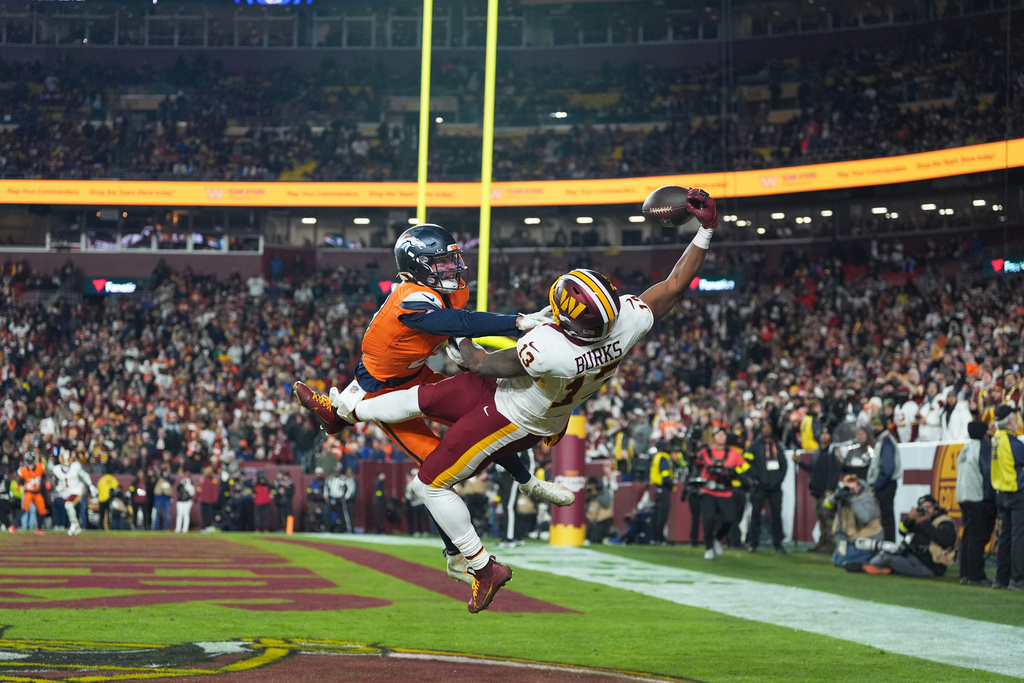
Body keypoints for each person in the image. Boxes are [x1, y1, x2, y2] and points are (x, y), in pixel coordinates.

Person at [336, 187, 718, 610]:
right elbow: (674, 284)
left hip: (514, 416)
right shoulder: (627, 322)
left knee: (428, 484)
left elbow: (479, 363)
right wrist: (704, 231)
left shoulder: (550, 349)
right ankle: (347, 411)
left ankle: (482, 566)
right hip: (536, 399)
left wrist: (459, 333)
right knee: (420, 398)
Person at [293, 223, 571, 580]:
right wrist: (517, 322)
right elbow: (458, 321)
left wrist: (469, 348)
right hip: (385, 390)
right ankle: (458, 556)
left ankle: (526, 481)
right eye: (441, 263)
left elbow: (459, 328)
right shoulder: (412, 296)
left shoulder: (447, 292)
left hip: (417, 375)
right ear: (417, 267)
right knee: (437, 472)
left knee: (486, 415)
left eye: (452, 259)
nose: (452, 268)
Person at [857, 495, 957, 578]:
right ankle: (871, 566)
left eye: (929, 507)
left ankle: (864, 567)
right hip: (913, 558)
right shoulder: (921, 520)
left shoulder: (944, 522)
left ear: (936, 507)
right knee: (886, 553)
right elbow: (903, 531)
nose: (926, 510)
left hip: (931, 567)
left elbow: (944, 541)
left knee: (888, 559)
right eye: (923, 508)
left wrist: (924, 522)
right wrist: (909, 518)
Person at [694, 426, 750, 559]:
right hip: (708, 490)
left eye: (723, 435)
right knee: (708, 520)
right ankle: (708, 547)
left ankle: (717, 538)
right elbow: (696, 463)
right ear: (713, 438)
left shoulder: (734, 453)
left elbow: (745, 467)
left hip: (726, 491)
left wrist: (734, 473)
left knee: (730, 519)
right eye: (718, 435)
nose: (721, 437)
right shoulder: (705, 452)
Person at [956, 420, 997, 586]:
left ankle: (965, 573)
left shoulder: (965, 448)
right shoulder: (983, 448)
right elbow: (988, 473)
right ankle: (975, 575)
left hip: (964, 496)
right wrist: (991, 498)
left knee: (968, 537)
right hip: (978, 497)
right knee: (978, 538)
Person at [990, 405, 1024, 590]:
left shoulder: (996, 439)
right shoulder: (1012, 442)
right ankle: (1018, 579)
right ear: (1010, 421)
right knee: (1018, 537)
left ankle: (1001, 578)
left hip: (1002, 493)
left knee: (1005, 538)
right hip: (1017, 493)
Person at [793, 430, 840, 553]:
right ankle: (823, 542)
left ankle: (831, 544)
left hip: (826, 491)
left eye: (826, 434)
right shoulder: (817, 452)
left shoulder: (831, 453)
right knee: (821, 517)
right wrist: (800, 462)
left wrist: (830, 490)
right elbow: (812, 469)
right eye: (822, 434)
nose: (824, 436)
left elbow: (834, 473)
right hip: (817, 491)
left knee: (828, 518)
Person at [745, 420, 788, 553]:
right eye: (764, 427)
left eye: (769, 427)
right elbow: (746, 464)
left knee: (777, 515)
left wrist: (778, 480)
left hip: (775, 487)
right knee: (756, 514)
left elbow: (784, 465)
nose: (767, 430)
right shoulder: (753, 446)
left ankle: (778, 544)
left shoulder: (778, 446)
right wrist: (756, 477)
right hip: (759, 487)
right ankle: (753, 543)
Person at [825, 473, 883, 569]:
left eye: (852, 487)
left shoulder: (868, 498)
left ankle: (873, 559)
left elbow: (865, 518)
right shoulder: (843, 498)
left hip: (868, 539)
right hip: (852, 540)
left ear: (859, 487)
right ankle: (867, 559)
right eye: (847, 487)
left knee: (840, 561)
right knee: (836, 558)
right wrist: (836, 496)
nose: (849, 490)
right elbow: (826, 506)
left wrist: (852, 499)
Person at [868, 417, 901, 542]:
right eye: (874, 425)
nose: (876, 428)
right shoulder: (883, 440)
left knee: (886, 516)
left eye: (879, 425)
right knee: (885, 516)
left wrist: (877, 484)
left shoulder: (886, 441)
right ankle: (887, 544)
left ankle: (888, 544)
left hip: (886, 484)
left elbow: (888, 468)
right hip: (885, 483)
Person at [52, 449, 95, 536]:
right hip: (65, 493)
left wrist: (91, 485)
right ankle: (76, 526)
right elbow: (58, 483)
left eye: (68, 459)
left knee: (69, 505)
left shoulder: (76, 466)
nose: (66, 461)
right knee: (67, 507)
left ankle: (75, 524)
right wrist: (57, 490)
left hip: (76, 491)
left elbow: (84, 475)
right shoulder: (56, 469)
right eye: (64, 459)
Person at [648, 441, 675, 545]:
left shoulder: (657, 456)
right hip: (662, 488)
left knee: (657, 514)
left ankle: (655, 537)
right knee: (662, 514)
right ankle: (659, 538)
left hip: (657, 489)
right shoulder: (663, 457)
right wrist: (672, 486)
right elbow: (665, 476)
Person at [16, 450, 47, 535]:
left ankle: (38, 529)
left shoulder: (40, 467)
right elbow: (21, 480)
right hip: (28, 492)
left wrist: (47, 482)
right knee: (24, 509)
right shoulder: (23, 470)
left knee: (42, 511)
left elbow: (44, 476)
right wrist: (18, 485)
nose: (30, 462)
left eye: (31, 460)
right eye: (28, 461)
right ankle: (13, 526)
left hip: (37, 493)